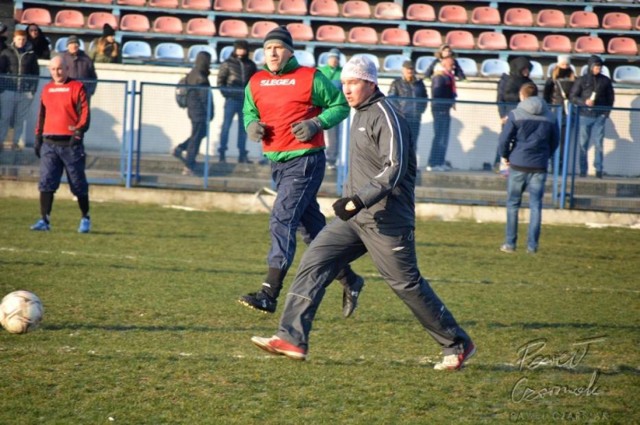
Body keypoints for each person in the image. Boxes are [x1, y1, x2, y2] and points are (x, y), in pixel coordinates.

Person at [250, 55, 476, 370]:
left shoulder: (386, 115)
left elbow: (394, 168)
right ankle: (291, 337)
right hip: (354, 220)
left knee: (406, 284)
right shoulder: (358, 112)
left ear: (370, 82)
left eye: (353, 83)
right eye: (344, 84)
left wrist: (357, 200)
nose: (347, 90)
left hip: (387, 220)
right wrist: (353, 205)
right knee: (314, 262)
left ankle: (457, 343)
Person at [238, 26, 364, 316]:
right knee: (312, 231)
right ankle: (350, 279)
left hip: (305, 161)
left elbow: (340, 105)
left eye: (278, 47)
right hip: (277, 163)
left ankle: (269, 293)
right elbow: (249, 111)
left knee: (282, 218)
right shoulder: (256, 81)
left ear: (290, 51)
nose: (272, 52)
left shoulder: (310, 78)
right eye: (268, 47)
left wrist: (316, 124)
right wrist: (250, 125)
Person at [30, 55, 91, 233]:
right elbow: (41, 115)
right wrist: (38, 137)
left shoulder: (77, 87)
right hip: (49, 143)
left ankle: (85, 217)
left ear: (67, 69)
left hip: (71, 144)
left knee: (78, 183)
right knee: (46, 182)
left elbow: (85, 113)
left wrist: (78, 133)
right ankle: (44, 220)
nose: (57, 72)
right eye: (53, 69)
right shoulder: (47, 89)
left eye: (60, 69)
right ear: (49, 70)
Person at [498, 83, 558, 254]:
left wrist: (506, 156)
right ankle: (532, 246)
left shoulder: (515, 115)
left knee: (513, 204)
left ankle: (510, 244)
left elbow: (504, 139)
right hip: (539, 165)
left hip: (518, 163)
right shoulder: (551, 117)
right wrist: (546, 155)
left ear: (522, 96)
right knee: (536, 206)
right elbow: (555, 141)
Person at [569, 55, 615, 179]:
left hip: (600, 115)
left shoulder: (605, 80)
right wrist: (584, 102)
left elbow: (610, 98)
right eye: (596, 67)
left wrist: (606, 113)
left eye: (600, 67)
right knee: (583, 143)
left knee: (599, 143)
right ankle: (583, 170)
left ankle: (599, 169)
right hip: (584, 115)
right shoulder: (581, 80)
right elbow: (572, 97)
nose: (598, 69)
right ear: (590, 67)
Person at [172, 51, 214, 176]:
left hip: (193, 110)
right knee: (196, 137)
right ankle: (189, 165)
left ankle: (180, 148)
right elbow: (205, 98)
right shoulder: (201, 77)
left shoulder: (193, 73)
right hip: (199, 112)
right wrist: (210, 113)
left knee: (200, 133)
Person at [217, 39, 257, 163]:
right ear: (234, 49)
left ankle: (242, 154)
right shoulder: (227, 64)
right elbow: (220, 82)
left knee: (243, 128)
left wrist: (250, 98)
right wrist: (228, 94)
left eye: (243, 48)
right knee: (226, 127)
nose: (240, 51)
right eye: (238, 48)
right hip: (231, 101)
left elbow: (254, 83)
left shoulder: (250, 64)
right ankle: (222, 153)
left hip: (245, 102)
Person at [0, 29, 40, 150]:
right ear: (14, 39)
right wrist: (1, 89)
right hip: (8, 90)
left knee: (20, 119)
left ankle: (16, 142)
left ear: (26, 40)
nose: (21, 41)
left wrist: (32, 91)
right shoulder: (6, 53)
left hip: (24, 92)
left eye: (23, 39)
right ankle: (0, 141)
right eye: (19, 39)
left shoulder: (31, 55)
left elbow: (35, 74)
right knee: (5, 117)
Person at [494, 56, 533, 173]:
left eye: (528, 69)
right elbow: (503, 98)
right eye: (524, 69)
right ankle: (499, 163)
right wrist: (502, 115)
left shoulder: (528, 82)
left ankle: (515, 165)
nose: (527, 72)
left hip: (524, 116)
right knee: (505, 139)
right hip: (509, 114)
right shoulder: (508, 81)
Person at [543, 55, 575, 170]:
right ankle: (552, 162)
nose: (565, 67)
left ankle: (560, 165)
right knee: (553, 138)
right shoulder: (552, 79)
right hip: (555, 111)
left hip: (567, 111)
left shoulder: (573, 78)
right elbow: (546, 95)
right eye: (563, 65)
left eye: (567, 65)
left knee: (563, 141)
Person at [387, 59, 428, 148]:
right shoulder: (396, 83)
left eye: (411, 69)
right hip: (403, 119)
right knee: (401, 143)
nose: (410, 71)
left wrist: (420, 111)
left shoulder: (419, 83)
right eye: (407, 69)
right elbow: (391, 99)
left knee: (413, 143)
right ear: (403, 70)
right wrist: (400, 112)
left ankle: (411, 162)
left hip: (416, 118)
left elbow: (425, 98)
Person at [426, 58, 456, 172]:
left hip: (445, 110)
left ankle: (440, 161)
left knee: (444, 137)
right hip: (440, 111)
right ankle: (433, 163)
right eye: (451, 64)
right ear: (444, 64)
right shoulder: (439, 77)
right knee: (439, 137)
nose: (453, 67)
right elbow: (437, 94)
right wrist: (447, 102)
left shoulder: (447, 77)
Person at [317, 48, 343, 169]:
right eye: (332, 58)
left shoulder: (342, 73)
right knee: (316, 131)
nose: (334, 60)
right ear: (328, 59)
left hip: (334, 110)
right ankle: (316, 156)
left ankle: (331, 160)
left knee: (333, 136)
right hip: (319, 108)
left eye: (337, 58)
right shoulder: (320, 71)